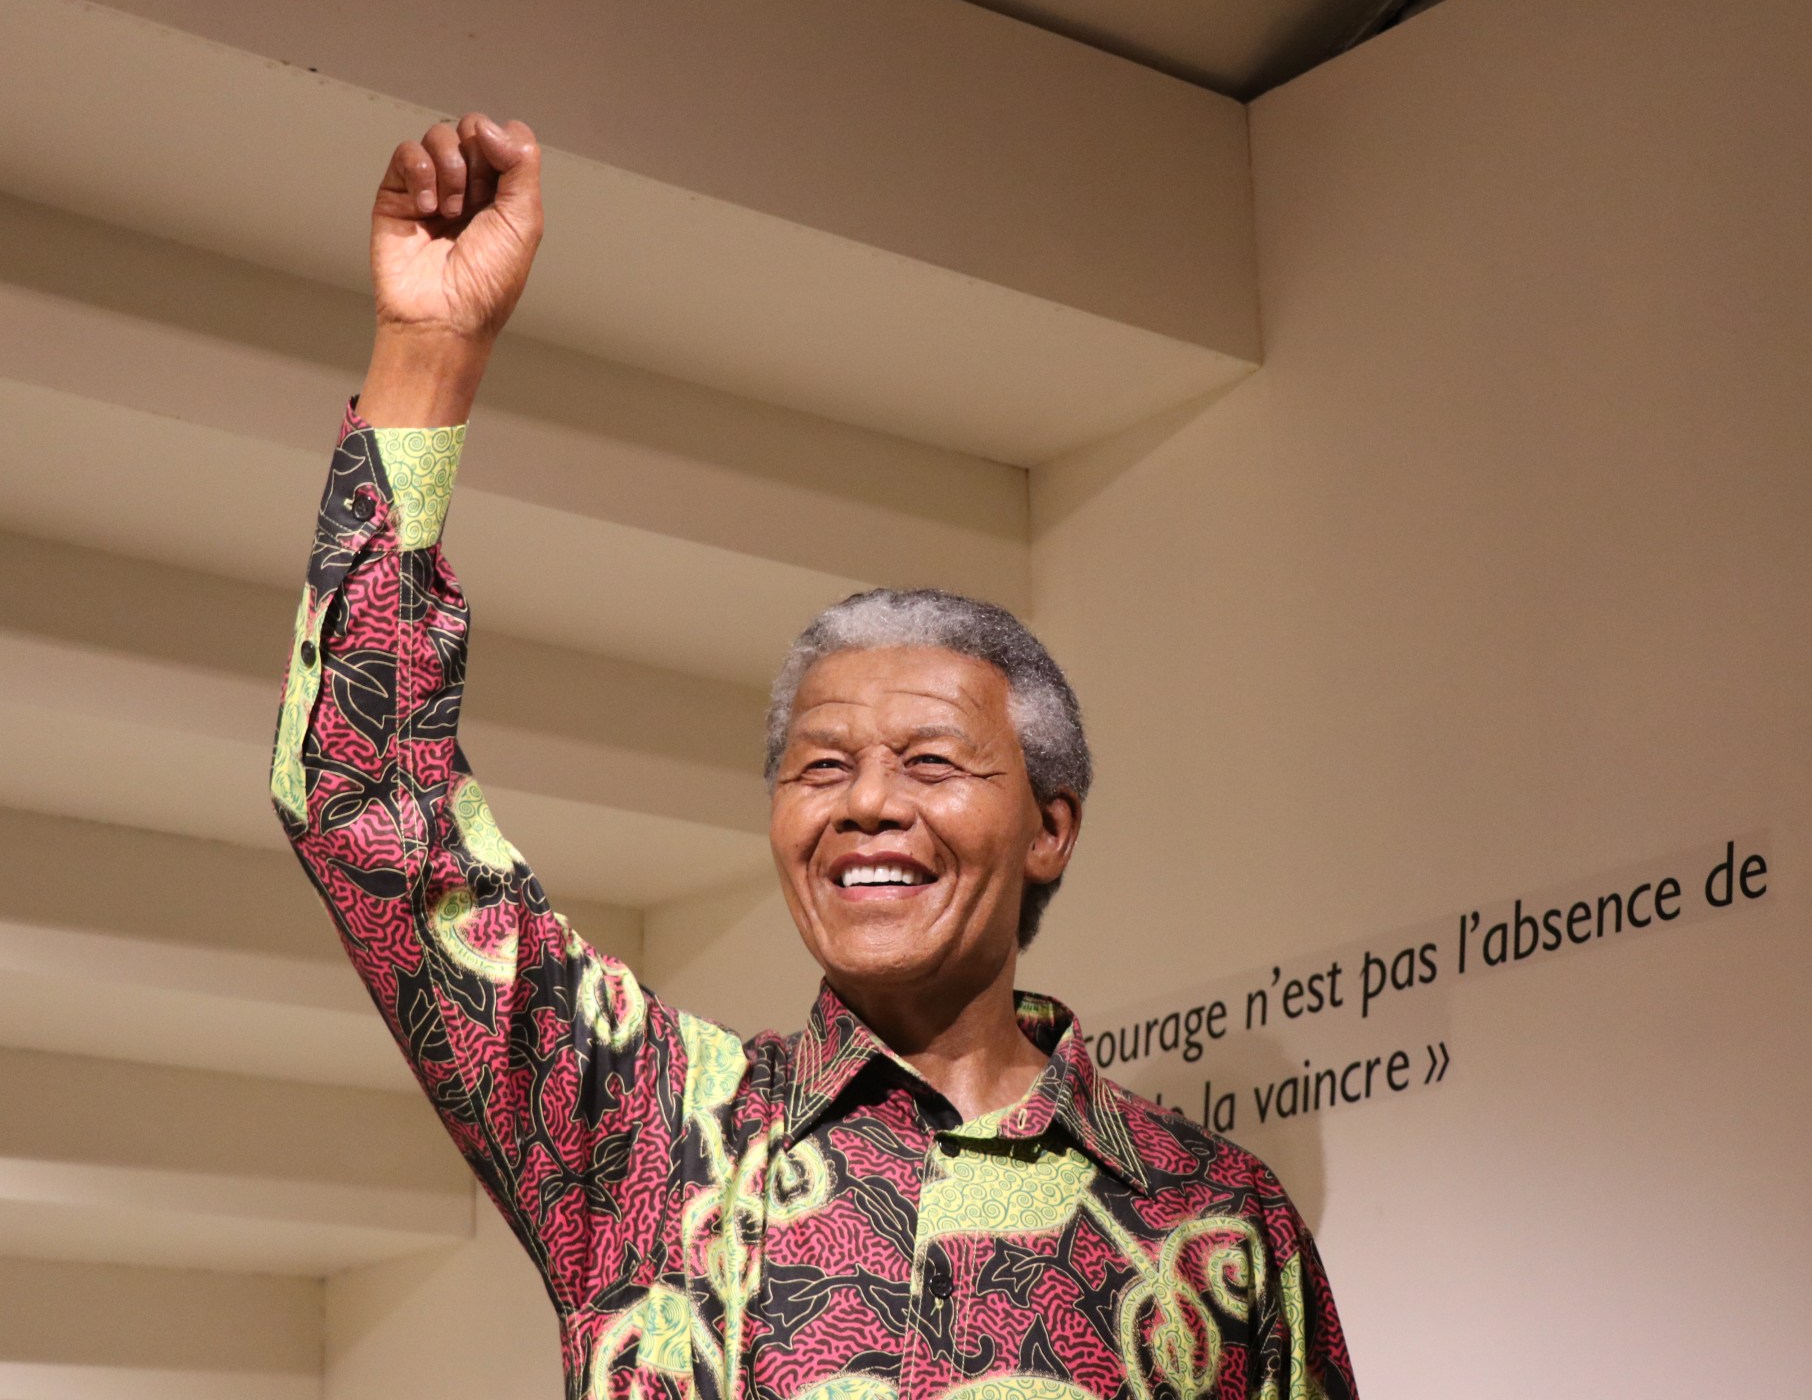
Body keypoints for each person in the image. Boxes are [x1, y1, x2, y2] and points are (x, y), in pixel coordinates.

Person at [272, 111, 1357, 1400]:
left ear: (1050, 826)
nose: (867, 806)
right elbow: (364, 799)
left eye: (932, 763)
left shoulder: (1213, 1227)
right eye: (822, 768)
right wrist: (429, 351)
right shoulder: (650, 1131)